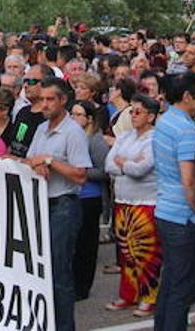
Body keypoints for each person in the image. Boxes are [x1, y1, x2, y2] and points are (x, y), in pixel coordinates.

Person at [25, 76, 92, 331]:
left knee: (59, 272)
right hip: (42, 205)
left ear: (63, 101)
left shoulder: (73, 132)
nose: (44, 104)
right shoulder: (41, 128)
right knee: (44, 270)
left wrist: (50, 161)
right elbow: (31, 160)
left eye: (49, 99)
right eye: (41, 99)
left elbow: (81, 174)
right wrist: (38, 161)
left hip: (64, 205)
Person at [153, 72, 195, 331]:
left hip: (164, 210)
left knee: (170, 283)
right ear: (187, 97)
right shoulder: (186, 130)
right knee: (180, 290)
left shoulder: (165, 120)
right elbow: (189, 182)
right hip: (182, 216)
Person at [105, 93, 161, 314]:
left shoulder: (155, 139)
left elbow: (142, 169)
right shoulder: (125, 137)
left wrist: (124, 164)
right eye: (132, 111)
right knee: (126, 251)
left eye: (138, 112)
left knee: (146, 252)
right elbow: (110, 164)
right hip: (122, 200)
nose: (133, 115)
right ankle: (128, 294)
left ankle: (149, 295)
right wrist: (127, 164)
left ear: (151, 116)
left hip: (145, 202)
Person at [71, 99, 111, 303]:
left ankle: (83, 286)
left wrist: (82, 172)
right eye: (72, 114)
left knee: (86, 245)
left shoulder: (95, 140)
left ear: (88, 119)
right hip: (73, 195)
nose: (74, 118)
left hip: (89, 196)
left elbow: (105, 170)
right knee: (73, 244)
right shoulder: (69, 137)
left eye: (79, 115)